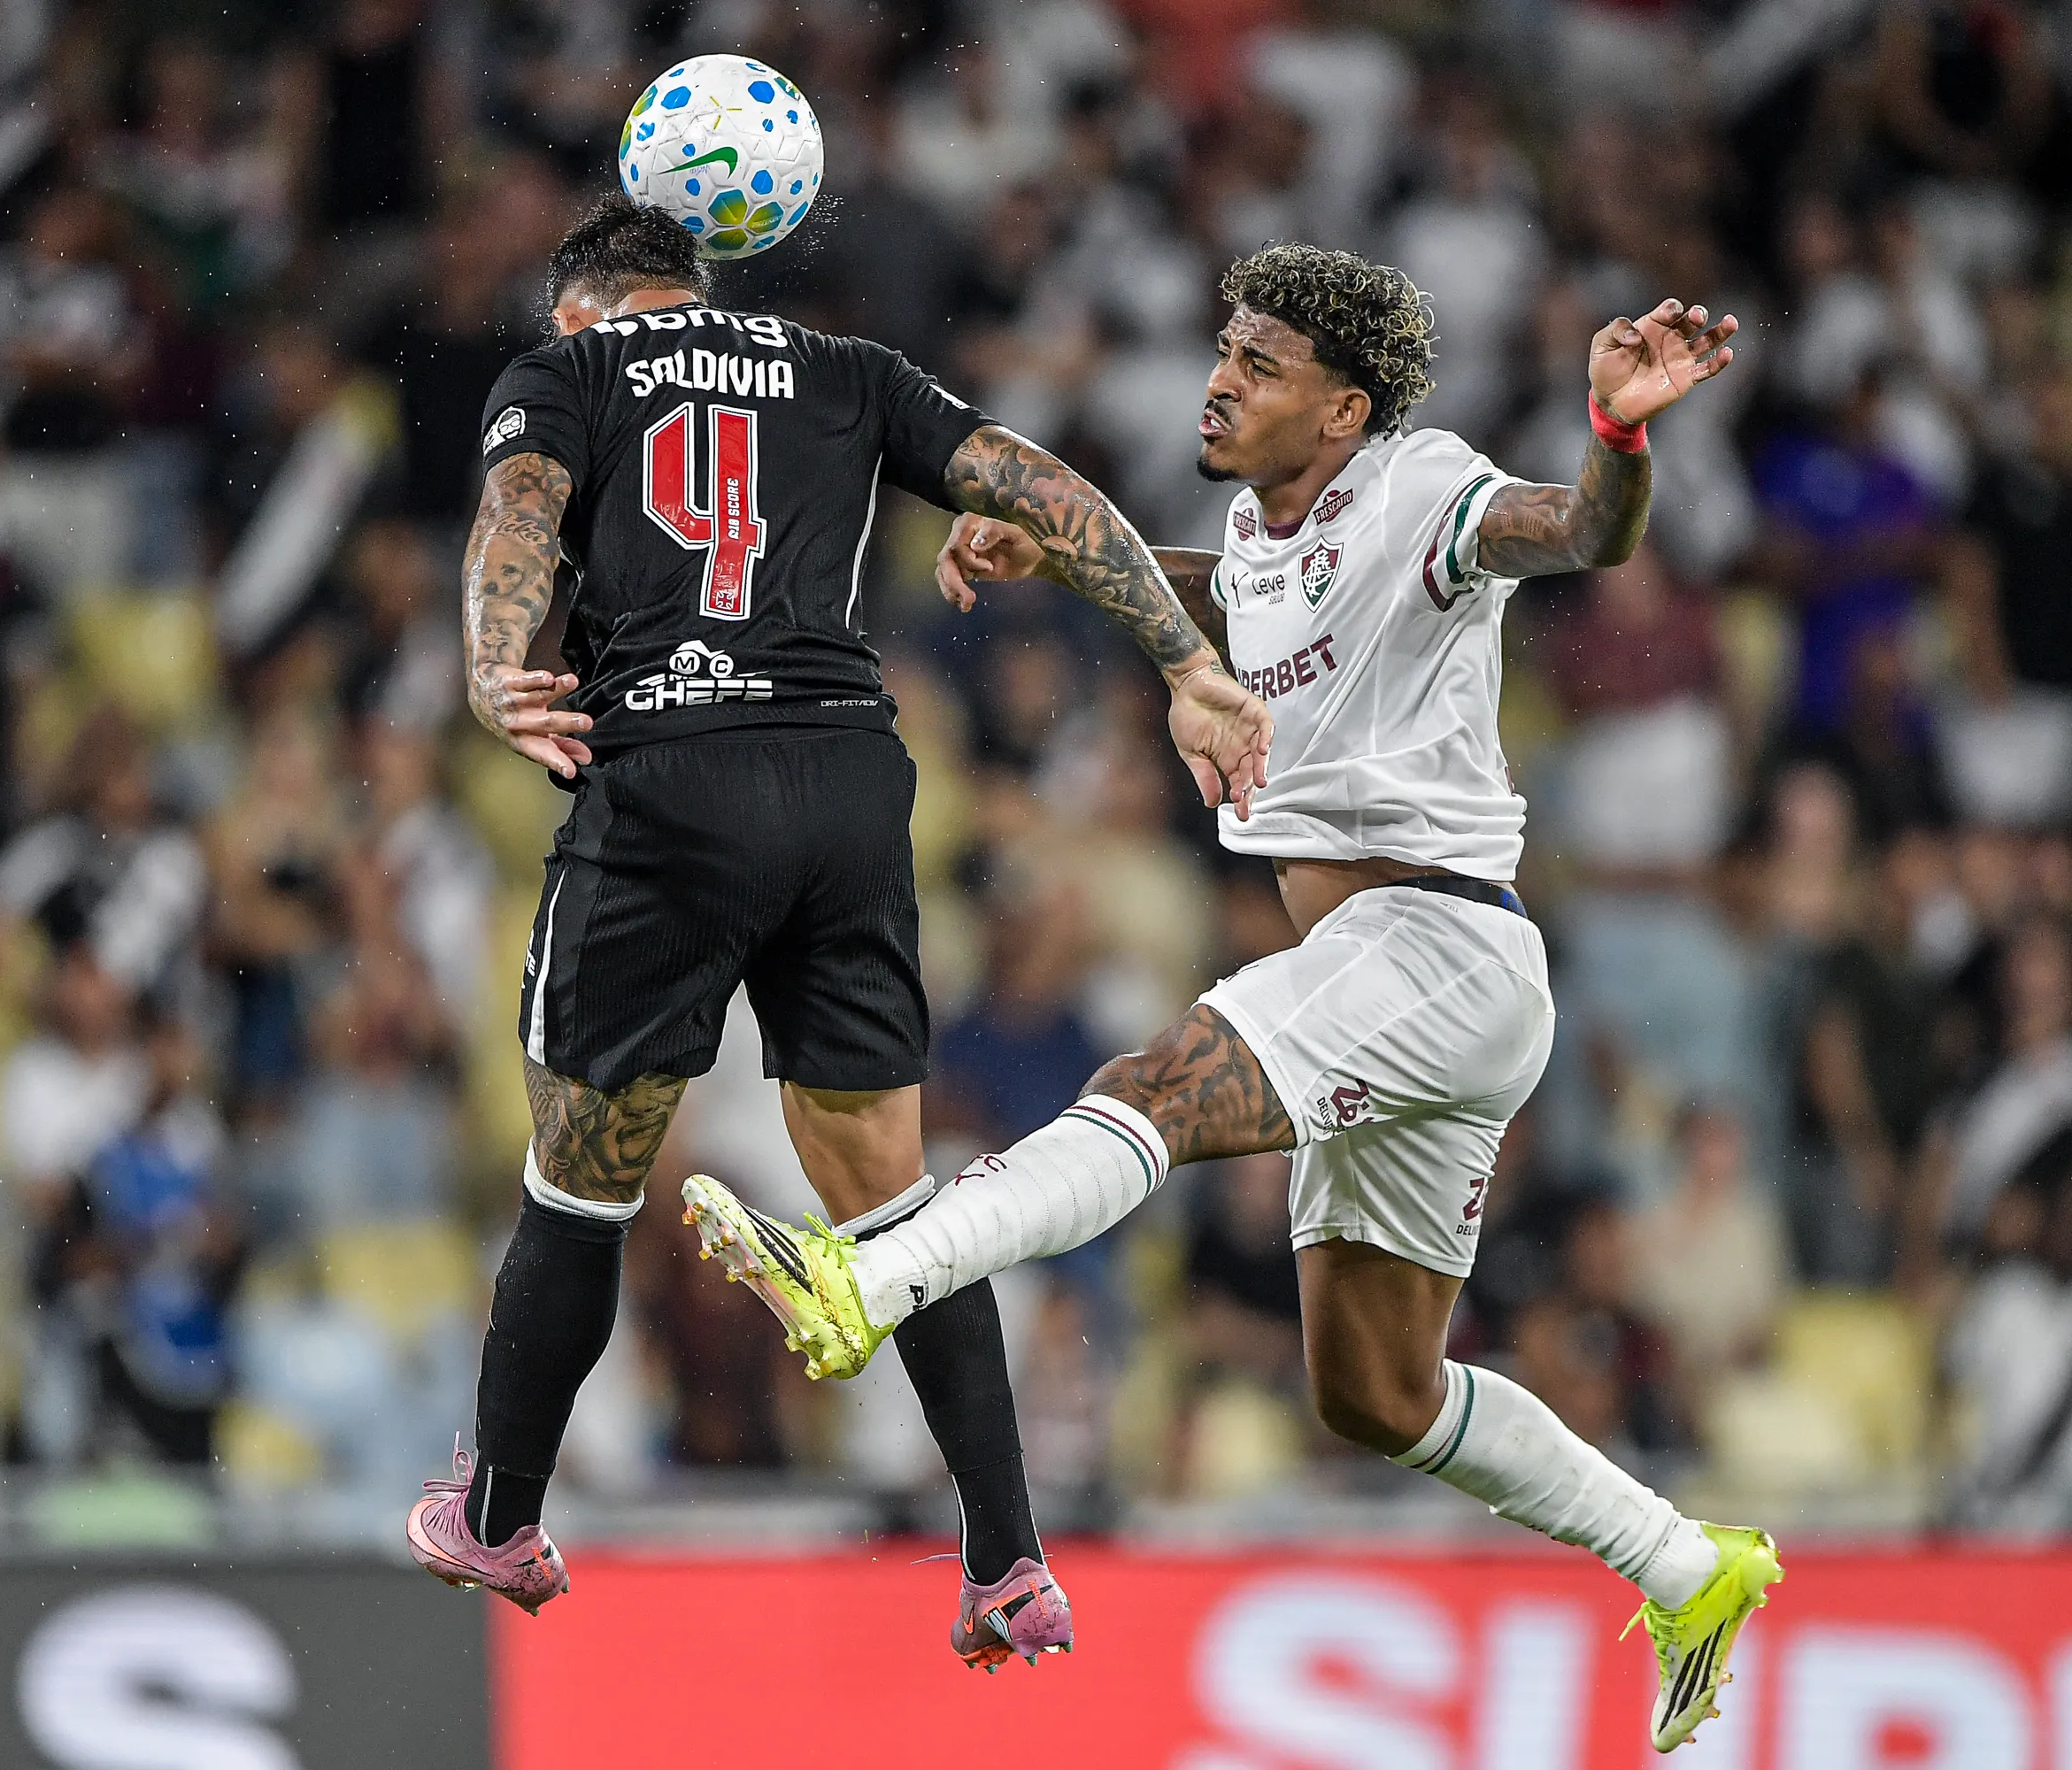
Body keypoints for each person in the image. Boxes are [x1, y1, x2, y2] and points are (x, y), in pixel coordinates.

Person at [682, 245, 1780, 1753]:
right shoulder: (1269, 523)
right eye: (1224, 350)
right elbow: (1253, 597)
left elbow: (1577, 535)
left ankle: (870, 1281)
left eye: (1258, 365)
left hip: (1431, 945)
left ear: (1343, 410)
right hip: (1419, 982)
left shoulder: (1422, 489)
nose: (1218, 379)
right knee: (1378, 1395)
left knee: (1157, 1084)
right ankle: (1683, 1563)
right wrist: (1059, 552)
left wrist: (1616, 438)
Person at [401, 193, 1272, 1667]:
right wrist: (1188, 664)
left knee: (582, 1175)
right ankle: (1005, 1558)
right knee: (893, 1202)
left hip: (670, 778)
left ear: (581, 307)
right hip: (851, 785)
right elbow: (1042, 486)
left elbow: (519, 518)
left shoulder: (567, 373)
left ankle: (500, 1511)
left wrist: (495, 664)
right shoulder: (846, 368)